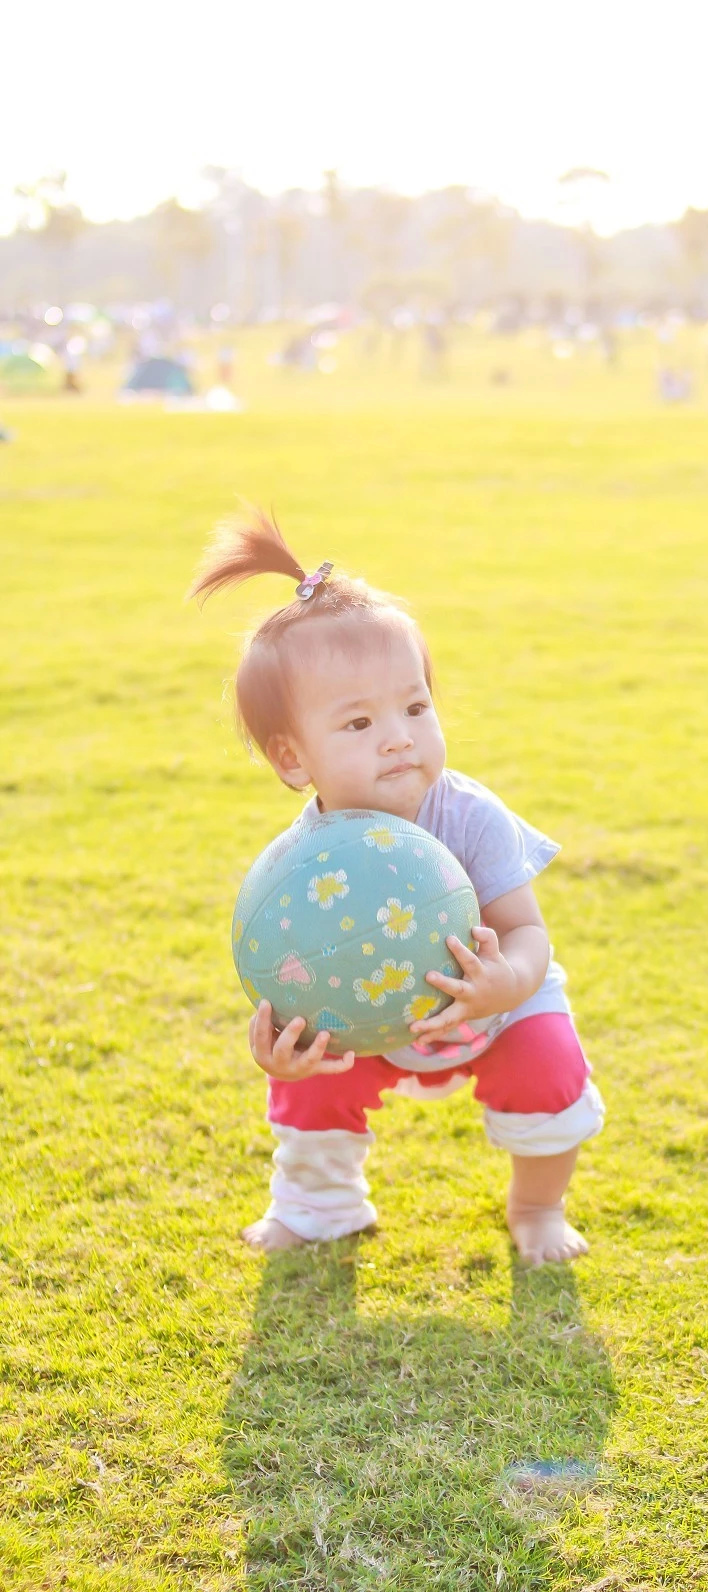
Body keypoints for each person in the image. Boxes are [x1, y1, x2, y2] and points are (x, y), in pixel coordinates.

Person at [189, 510, 605, 1265]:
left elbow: (528, 934)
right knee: (311, 1082)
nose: (398, 737)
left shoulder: (470, 814)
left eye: (415, 708)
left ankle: (538, 1207)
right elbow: (286, 967)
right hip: (363, 1022)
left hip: (492, 1006)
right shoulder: (301, 867)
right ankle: (318, 1206)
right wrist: (283, 1046)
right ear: (292, 758)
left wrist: (502, 982)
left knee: (547, 1058)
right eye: (357, 723)